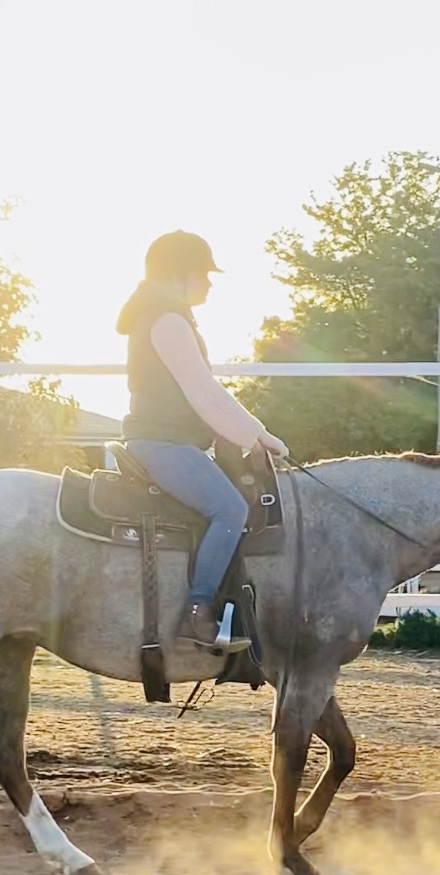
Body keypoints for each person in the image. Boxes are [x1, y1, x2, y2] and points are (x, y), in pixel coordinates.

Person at [117, 230, 289, 652]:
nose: (210, 283)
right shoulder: (169, 321)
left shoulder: (162, 317)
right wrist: (258, 437)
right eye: (203, 273)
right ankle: (197, 613)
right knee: (229, 507)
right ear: (179, 273)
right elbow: (204, 393)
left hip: (168, 440)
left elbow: (200, 396)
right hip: (163, 443)